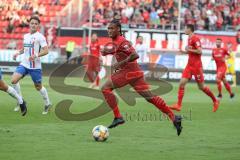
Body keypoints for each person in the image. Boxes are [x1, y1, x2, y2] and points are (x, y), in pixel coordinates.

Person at [101, 19, 182, 136]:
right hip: (135, 73)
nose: (109, 30)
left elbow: (135, 55)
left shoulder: (122, 41)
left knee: (105, 88)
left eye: (112, 28)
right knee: (150, 98)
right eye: (108, 28)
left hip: (128, 72)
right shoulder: (117, 41)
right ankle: (174, 117)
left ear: (118, 29)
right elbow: (117, 50)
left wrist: (121, 63)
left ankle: (118, 117)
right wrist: (107, 52)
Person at [170, 24, 219, 112]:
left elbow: (200, 51)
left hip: (197, 67)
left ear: (190, 29)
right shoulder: (189, 39)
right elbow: (192, 52)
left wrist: (189, 50)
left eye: (185, 28)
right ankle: (178, 105)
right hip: (189, 66)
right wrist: (184, 52)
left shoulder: (195, 38)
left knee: (201, 87)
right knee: (182, 83)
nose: (184, 30)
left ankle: (215, 100)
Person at [11, 16, 51, 115]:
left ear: (38, 26)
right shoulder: (26, 36)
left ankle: (47, 103)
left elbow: (46, 50)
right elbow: (25, 49)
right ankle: (21, 101)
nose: (33, 25)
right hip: (24, 64)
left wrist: (36, 55)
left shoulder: (40, 37)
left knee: (38, 87)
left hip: (35, 67)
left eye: (35, 23)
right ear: (29, 24)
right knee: (13, 80)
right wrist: (17, 53)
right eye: (32, 23)